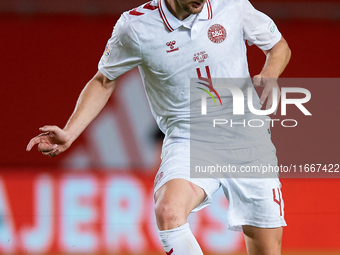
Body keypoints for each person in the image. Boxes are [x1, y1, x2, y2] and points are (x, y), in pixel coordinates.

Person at [27, 0, 291, 254]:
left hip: (247, 137)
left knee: (266, 250)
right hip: (189, 139)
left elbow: (279, 46)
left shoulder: (232, 5)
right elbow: (104, 79)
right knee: (168, 210)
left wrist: (270, 73)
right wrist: (70, 132)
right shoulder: (135, 27)